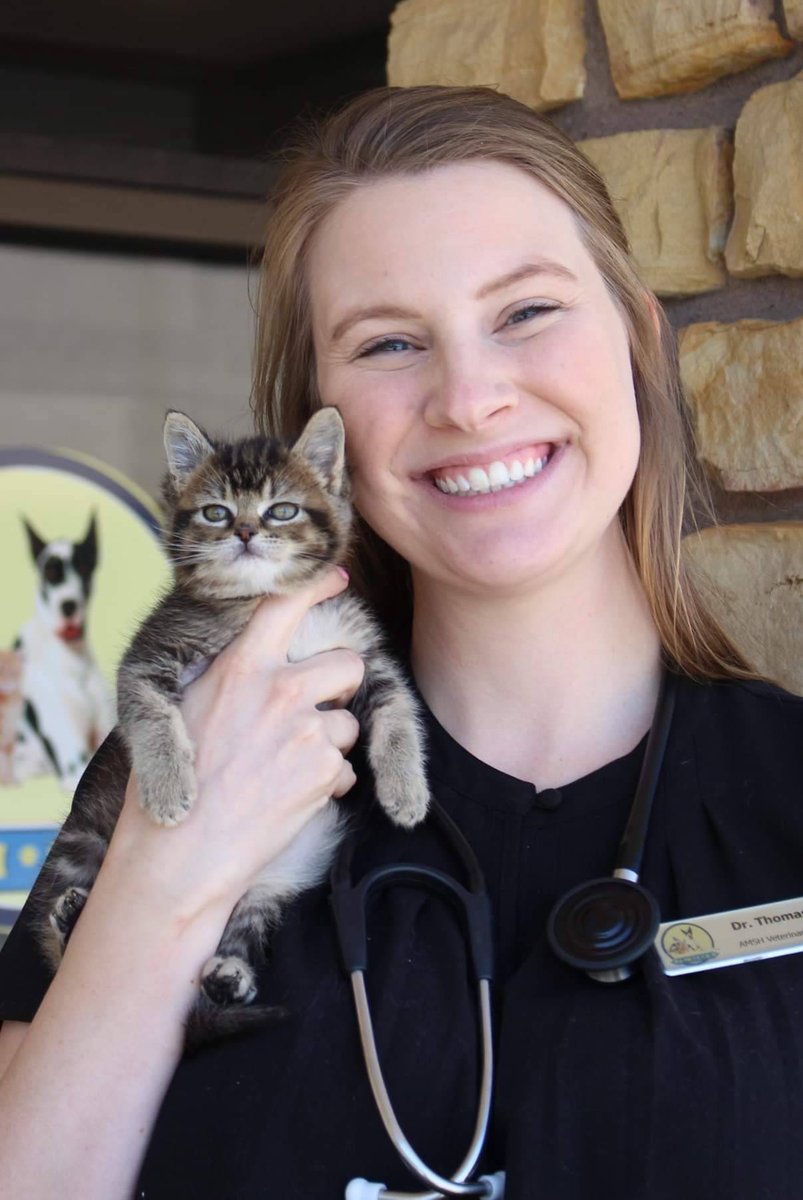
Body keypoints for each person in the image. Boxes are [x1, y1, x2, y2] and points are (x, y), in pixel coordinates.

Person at [0, 86, 801, 1200]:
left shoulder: (782, 792)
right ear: (317, 446)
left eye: (525, 312)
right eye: (387, 342)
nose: (468, 399)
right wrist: (170, 870)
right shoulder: (188, 752)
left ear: (636, 340)